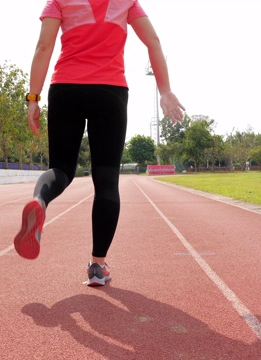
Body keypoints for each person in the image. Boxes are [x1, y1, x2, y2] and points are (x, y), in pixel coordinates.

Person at [14, 0, 185, 286]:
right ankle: (97, 266)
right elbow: (153, 41)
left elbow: (43, 47)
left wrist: (33, 97)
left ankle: (40, 201)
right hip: (110, 91)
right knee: (106, 180)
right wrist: (165, 90)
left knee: (61, 169)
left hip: (66, 89)